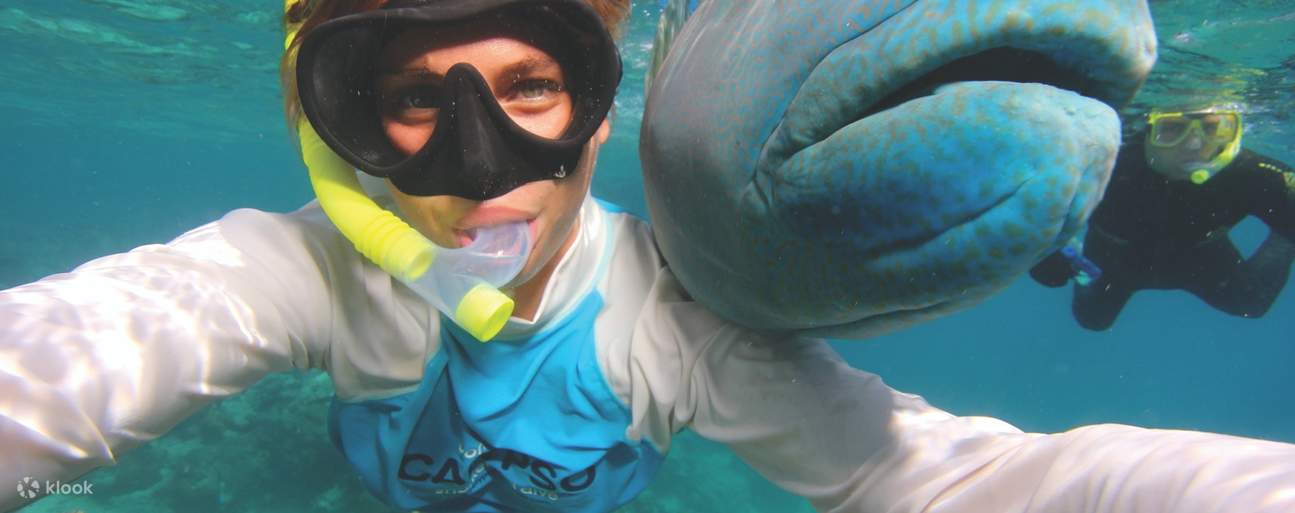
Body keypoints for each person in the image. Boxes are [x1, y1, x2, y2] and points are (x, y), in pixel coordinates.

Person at [3, 2, 1295, 512]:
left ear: (596, 111)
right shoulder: (303, 274)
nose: (480, 157)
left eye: (527, 87)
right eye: (412, 99)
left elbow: (979, 478)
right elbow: (86, 344)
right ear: (341, 140)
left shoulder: (671, 321)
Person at [1031, 103, 1295, 331]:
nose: (1194, 145)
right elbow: (1037, 203)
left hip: (1201, 259)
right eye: (1173, 129)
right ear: (1146, 133)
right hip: (1112, 261)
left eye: (1214, 128)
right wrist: (1045, 249)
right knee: (1091, 320)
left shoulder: (1252, 174)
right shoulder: (1106, 161)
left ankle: (1284, 240)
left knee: (1251, 303)